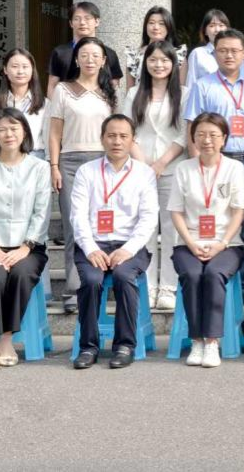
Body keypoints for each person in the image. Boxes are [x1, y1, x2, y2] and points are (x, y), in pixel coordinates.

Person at [69, 115, 158, 369]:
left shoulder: (144, 173)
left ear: (132, 140)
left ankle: (125, 345)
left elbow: (149, 217)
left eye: (123, 136)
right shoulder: (87, 171)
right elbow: (78, 215)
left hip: (130, 245)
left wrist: (128, 249)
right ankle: (88, 347)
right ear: (102, 139)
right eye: (111, 135)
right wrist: (90, 249)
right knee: (91, 280)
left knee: (123, 277)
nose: (117, 141)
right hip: (93, 244)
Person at [183, 28, 244, 307]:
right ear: (214, 53)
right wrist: (197, 163)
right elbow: (192, 126)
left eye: (235, 50)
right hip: (214, 161)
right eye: (223, 50)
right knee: (214, 220)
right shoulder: (203, 85)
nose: (229, 55)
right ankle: (215, 280)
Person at [0, 108, 51, 368]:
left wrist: (26, 247)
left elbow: (42, 211)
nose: (8, 134)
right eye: (2, 129)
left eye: (14, 128)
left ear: (24, 131)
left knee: (21, 275)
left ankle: (6, 339)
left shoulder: (39, 168)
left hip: (29, 247)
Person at [168, 112, 244, 368]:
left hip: (227, 244)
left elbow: (239, 211)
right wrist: (191, 244)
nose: (207, 140)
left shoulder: (235, 168)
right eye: (201, 134)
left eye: (213, 135)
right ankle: (196, 341)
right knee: (192, 275)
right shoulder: (183, 169)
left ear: (224, 138)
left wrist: (221, 243)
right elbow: (176, 212)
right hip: (188, 243)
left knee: (213, 274)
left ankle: (212, 342)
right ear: (193, 138)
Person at [47, 36, 115, 313]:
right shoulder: (63, 90)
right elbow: (54, 133)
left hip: (103, 163)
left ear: (103, 61)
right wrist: (54, 166)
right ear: (76, 59)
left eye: (95, 55)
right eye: (84, 55)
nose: (90, 60)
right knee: (74, 227)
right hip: (70, 163)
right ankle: (75, 290)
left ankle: (99, 285)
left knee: (102, 226)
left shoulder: (110, 92)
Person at [126, 41, 188, 310]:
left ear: (174, 64)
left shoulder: (184, 94)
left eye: (164, 60)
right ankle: (148, 285)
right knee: (145, 227)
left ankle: (169, 287)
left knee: (173, 229)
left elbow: (185, 133)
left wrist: (162, 162)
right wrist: (146, 165)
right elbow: (127, 132)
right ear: (145, 64)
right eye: (153, 60)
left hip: (173, 168)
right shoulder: (133, 94)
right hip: (141, 170)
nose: (159, 65)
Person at [0, 48, 46, 161]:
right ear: (5, 69)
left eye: (25, 66)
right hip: (2, 159)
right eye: (15, 66)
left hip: (35, 159)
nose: (20, 71)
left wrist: (51, 165)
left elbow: (49, 140)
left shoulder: (44, 104)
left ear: (32, 70)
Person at [46, 1, 124, 97]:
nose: (82, 23)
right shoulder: (60, 52)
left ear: (97, 22)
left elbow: (114, 87)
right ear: (71, 23)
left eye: (87, 18)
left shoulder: (109, 54)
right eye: (77, 19)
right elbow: (52, 86)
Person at [123, 6, 187, 89]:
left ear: (169, 27)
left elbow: (181, 90)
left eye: (161, 23)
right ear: (145, 26)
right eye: (151, 23)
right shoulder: (134, 55)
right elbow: (129, 90)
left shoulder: (178, 55)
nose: (156, 27)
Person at [184, 8, 231, 88]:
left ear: (227, 29)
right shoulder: (197, 54)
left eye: (221, 25)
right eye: (212, 26)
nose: (217, 30)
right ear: (205, 31)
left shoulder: (235, 53)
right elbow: (191, 84)